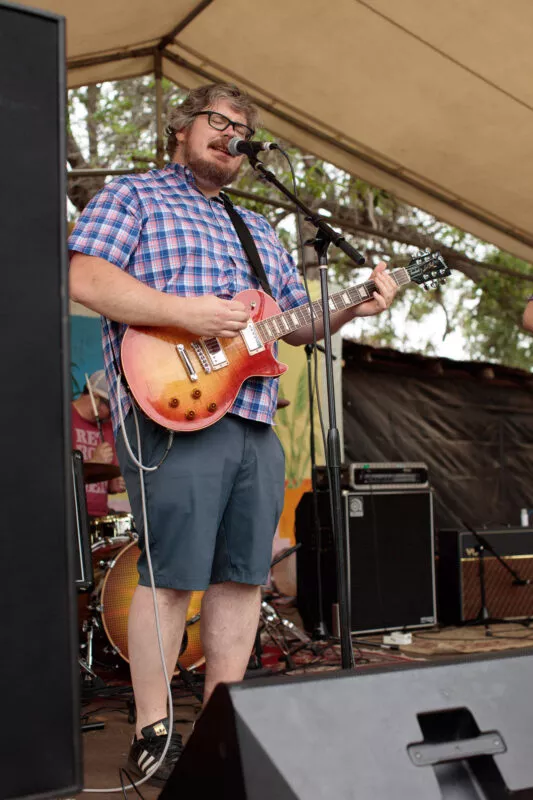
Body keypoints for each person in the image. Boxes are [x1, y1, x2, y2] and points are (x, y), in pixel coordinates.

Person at [69, 82, 399, 784]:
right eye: (217, 122)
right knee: (169, 578)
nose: (231, 134)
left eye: (241, 128)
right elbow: (85, 279)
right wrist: (185, 314)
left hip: (252, 416)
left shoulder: (261, 230)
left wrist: (352, 305)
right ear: (181, 129)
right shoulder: (133, 197)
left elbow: (292, 323)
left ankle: (224, 726)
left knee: (241, 579)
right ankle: (154, 732)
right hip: (171, 410)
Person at [71, 370, 125, 517]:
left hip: (100, 516)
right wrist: (94, 461)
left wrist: (113, 485)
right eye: (111, 407)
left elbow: (107, 476)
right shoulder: (65, 418)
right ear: (95, 398)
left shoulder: (107, 427)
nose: (113, 414)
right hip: (70, 515)